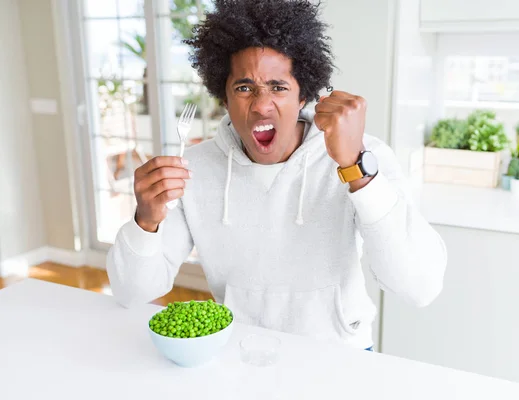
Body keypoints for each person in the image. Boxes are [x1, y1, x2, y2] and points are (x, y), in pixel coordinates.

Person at [107, 0, 447, 351]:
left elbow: (420, 286)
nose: (260, 105)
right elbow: (133, 292)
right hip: (239, 352)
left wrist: (356, 168)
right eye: (244, 88)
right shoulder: (193, 168)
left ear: (304, 96)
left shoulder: (359, 156)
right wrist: (145, 221)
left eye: (278, 87)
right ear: (223, 96)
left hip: (339, 356)